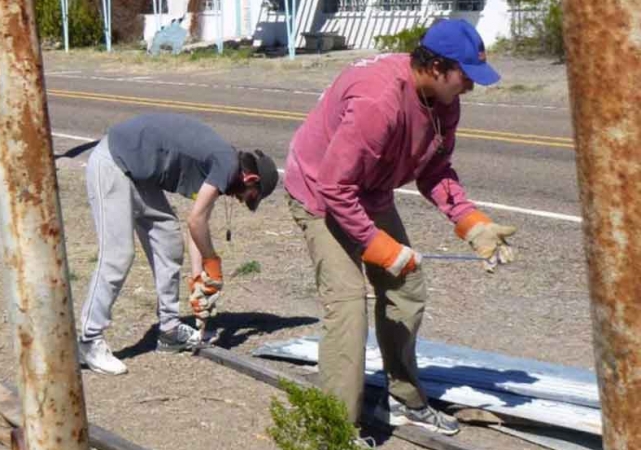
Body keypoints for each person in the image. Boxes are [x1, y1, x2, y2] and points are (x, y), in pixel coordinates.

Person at [283, 19, 517, 435]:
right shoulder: (379, 102)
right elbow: (335, 186)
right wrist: (378, 246)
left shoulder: (444, 103)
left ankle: (405, 398)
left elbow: (435, 169)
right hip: (320, 192)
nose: (471, 87)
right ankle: (336, 428)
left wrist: (470, 221)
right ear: (436, 67)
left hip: (368, 190)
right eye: (465, 76)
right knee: (347, 302)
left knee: (406, 287)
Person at [78, 112, 279, 375]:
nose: (244, 202)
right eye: (251, 197)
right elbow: (197, 221)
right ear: (250, 179)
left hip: (139, 174)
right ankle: (89, 339)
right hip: (114, 162)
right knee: (117, 255)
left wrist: (198, 280)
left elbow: (197, 224)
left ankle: (169, 331)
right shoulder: (226, 164)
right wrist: (212, 263)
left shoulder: (221, 164)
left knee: (168, 239)